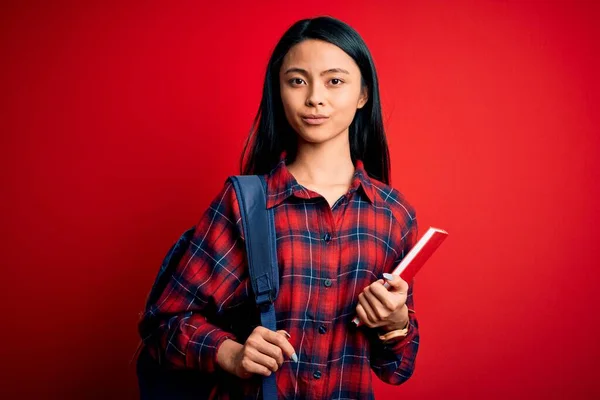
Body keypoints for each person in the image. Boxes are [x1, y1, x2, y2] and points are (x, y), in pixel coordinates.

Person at [138, 15, 420, 399]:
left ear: (363, 94)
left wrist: (396, 324)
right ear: (280, 91)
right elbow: (164, 324)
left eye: (334, 81)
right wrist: (233, 353)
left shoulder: (392, 215)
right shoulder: (245, 203)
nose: (314, 97)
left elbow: (397, 369)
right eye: (297, 81)